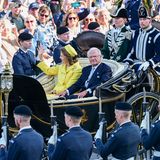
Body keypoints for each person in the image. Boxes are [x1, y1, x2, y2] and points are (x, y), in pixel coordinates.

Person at [124, 6, 160, 75]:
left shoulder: (157, 35)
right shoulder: (135, 33)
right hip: (136, 64)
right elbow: (131, 52)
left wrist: (149, 63)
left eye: (144, 19)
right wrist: (127, 61)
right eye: (140, 19)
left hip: (153, 67)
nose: (142, 22)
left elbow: (159, 55)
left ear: (150, 20)